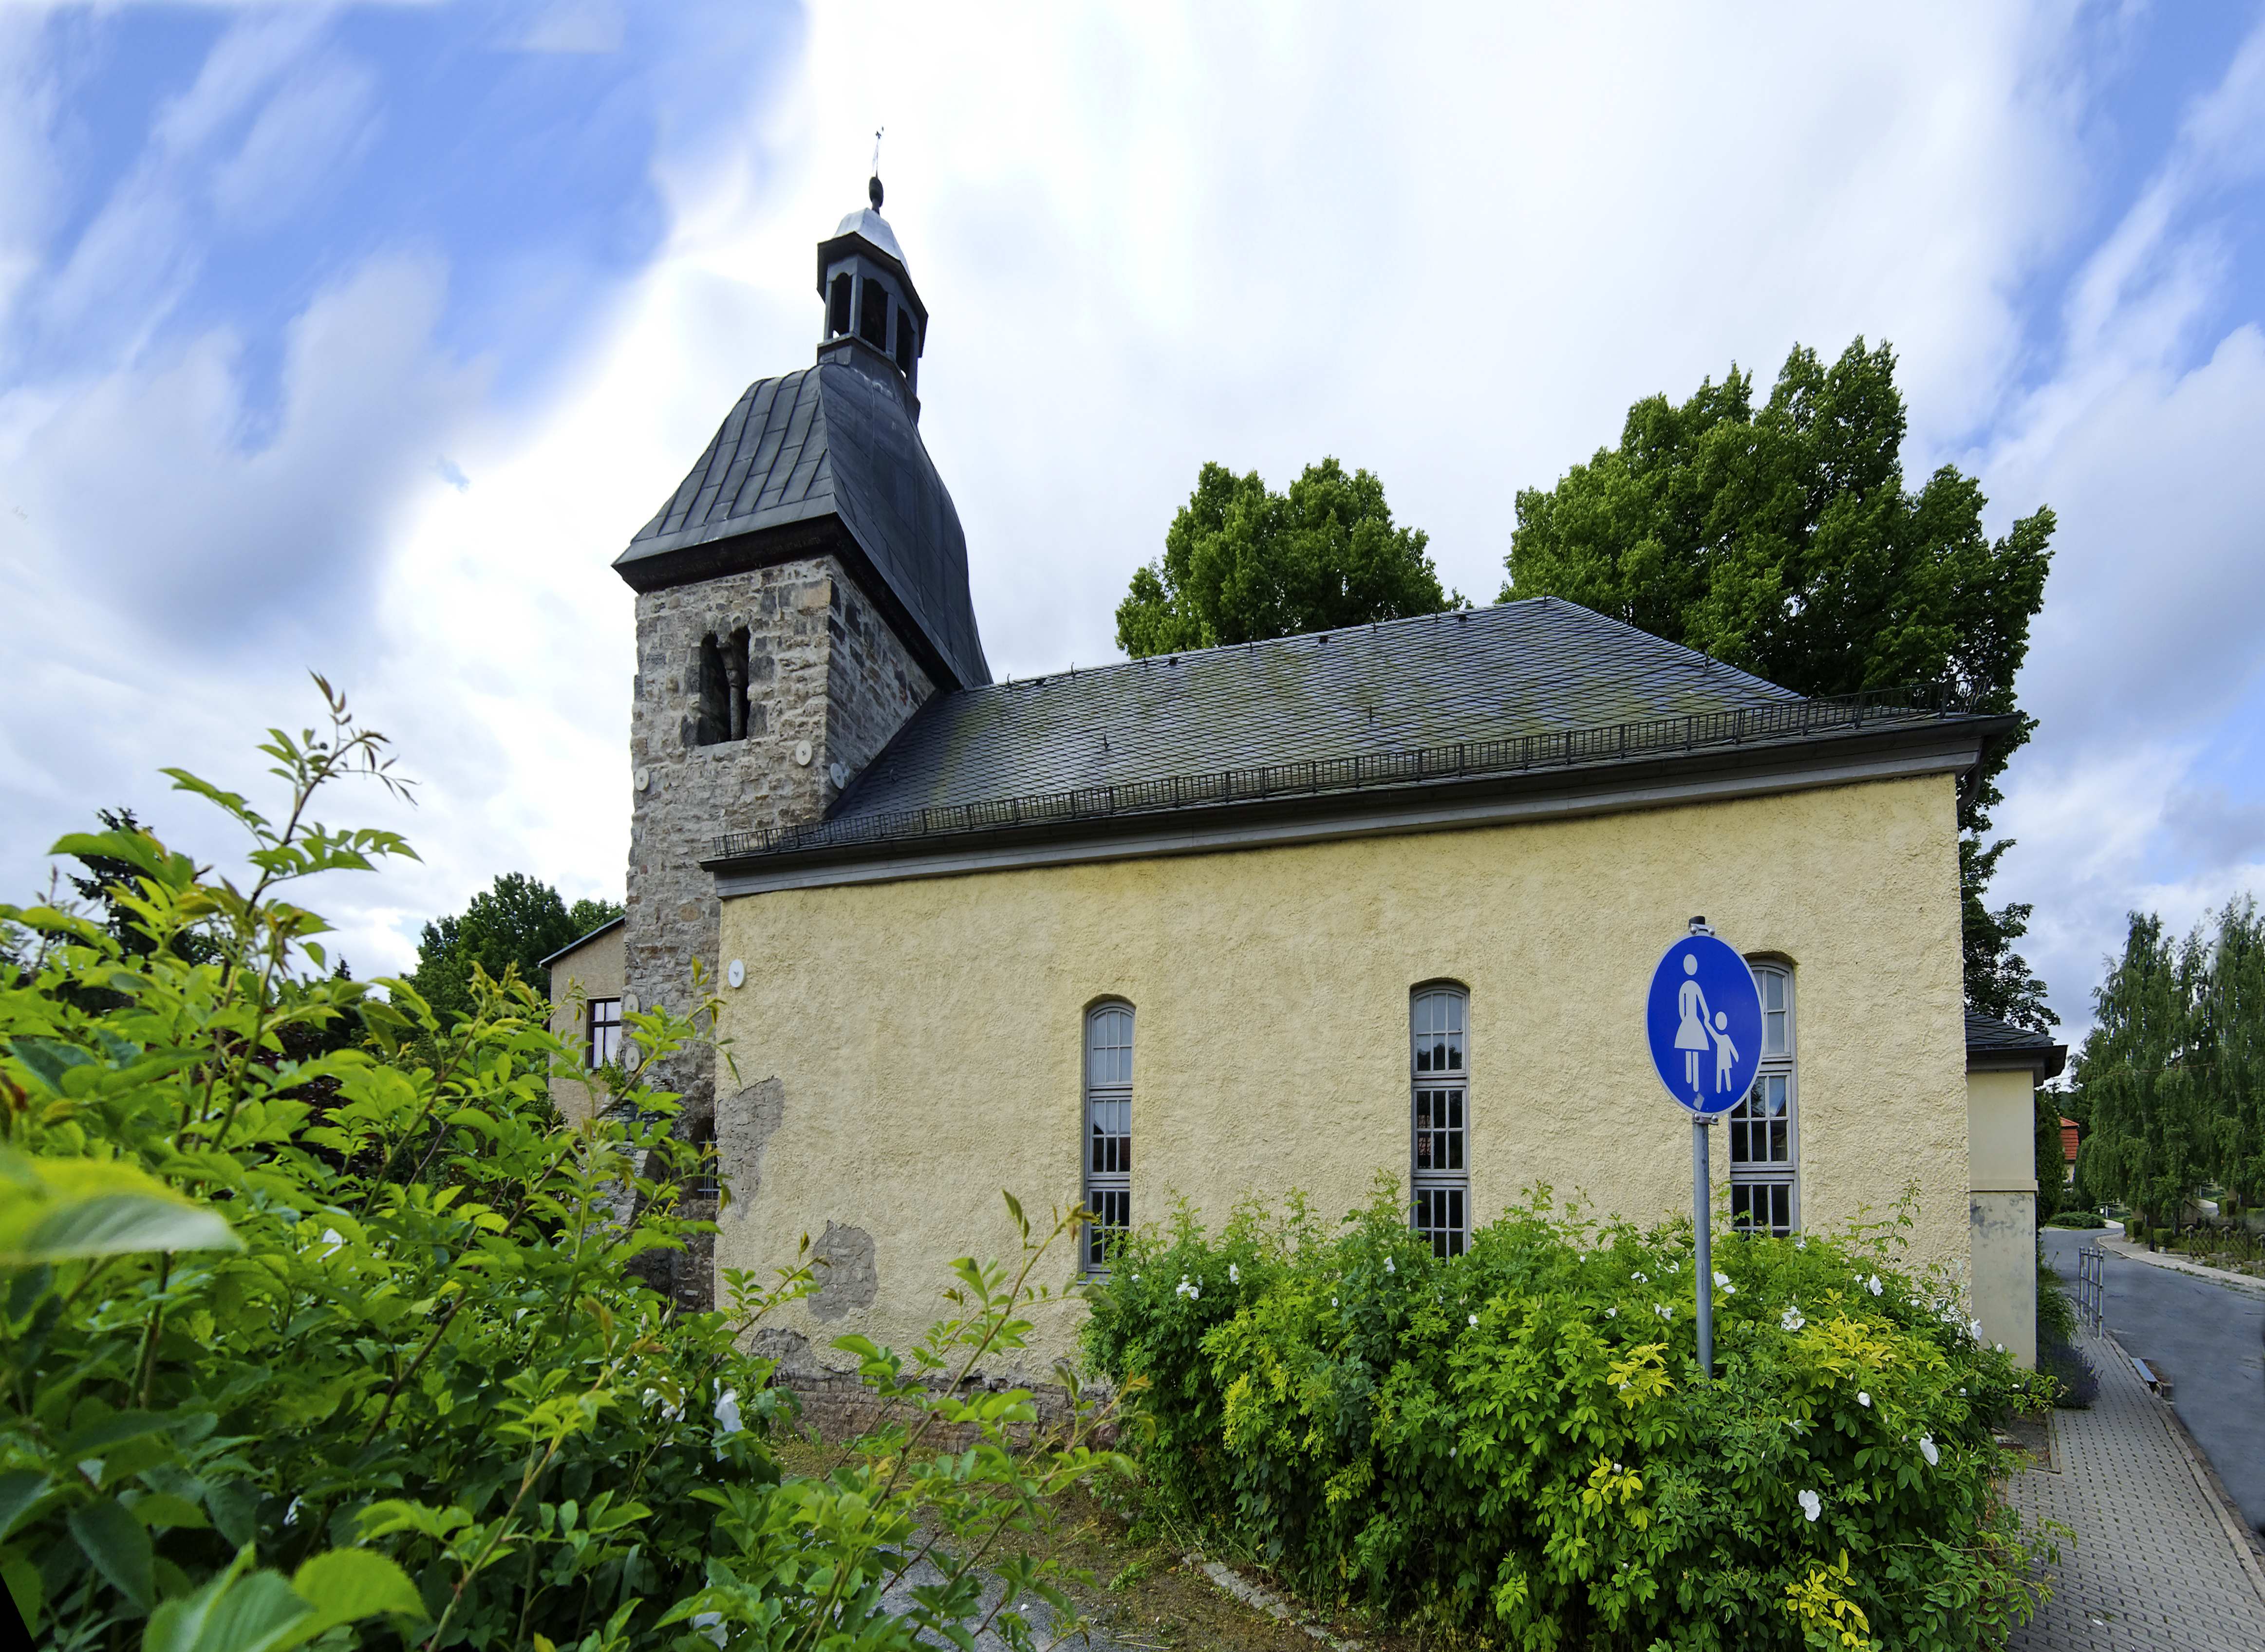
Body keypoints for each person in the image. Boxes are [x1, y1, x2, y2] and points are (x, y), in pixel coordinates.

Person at [1675, 954, 1712, 1097]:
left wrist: (1685, 1018)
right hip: (1691, 1021)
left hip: (1690, 1021)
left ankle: (1694, 1082)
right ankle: (1691, 1082)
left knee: (1693, 1050)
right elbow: (1688, 1004)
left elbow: (1696, 1003)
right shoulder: (1689, 986)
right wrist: (1705, 1016)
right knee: (1692, 1049)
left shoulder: (1690, 986)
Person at [1712, 1010, 1739, 1095]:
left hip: (1725, 1059)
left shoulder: (1725, 1037)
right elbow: (1713, 1033)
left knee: (1726, 1074)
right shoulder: (1721, 1038)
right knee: (1720, 1074)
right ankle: (1719, 1091)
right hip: (1722, 1059)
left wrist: (1736, 1056)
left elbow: (1732, 1048)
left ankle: (1728, 1089)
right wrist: (1707, 1024)